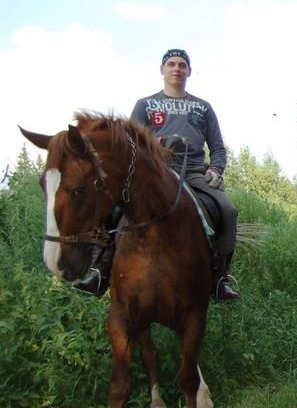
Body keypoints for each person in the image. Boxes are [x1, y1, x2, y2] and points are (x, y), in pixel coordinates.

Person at [75, 48, 240, 301]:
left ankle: (219, 278)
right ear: (162, 70)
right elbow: (128, 142)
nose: (177, 68)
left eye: (182, 65)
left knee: (228, 211)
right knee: (115, 209)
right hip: (153, 174)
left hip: (194, 172)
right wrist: (161, 141)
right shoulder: (145, 105)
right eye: (171, 64)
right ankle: (100, 270)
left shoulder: (203, 108)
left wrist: (216, 169)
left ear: (189, 72)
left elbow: (218, 148)